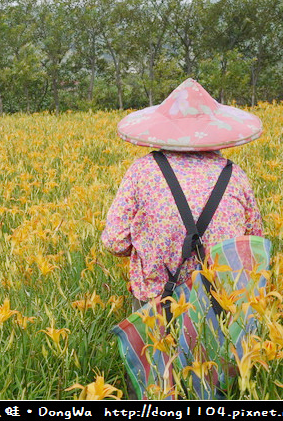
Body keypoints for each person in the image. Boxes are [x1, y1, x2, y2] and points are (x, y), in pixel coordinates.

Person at [101, 78, 265, 312]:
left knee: (153, 349)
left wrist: (151, 248)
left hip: (157, 303)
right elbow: (253, 244)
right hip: (221, 303)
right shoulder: (235, 175)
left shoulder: (142, 170)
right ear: (216, 133)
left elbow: (115, 242)